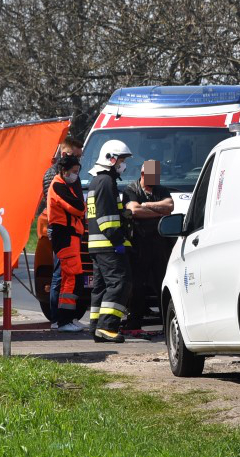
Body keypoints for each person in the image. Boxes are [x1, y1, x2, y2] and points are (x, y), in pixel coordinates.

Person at [86, 139, 135, 343]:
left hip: (97, 246)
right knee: (120, 283)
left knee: (102, 286)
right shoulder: (106, 182)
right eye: (121, 160)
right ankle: (108, 327)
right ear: (111, 159)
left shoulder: (97, 181)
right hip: (108, 245)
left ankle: (96, 326)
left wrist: (124, 215)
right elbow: (106, 218)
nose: (123, 164)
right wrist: (118, 241)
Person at [122, 160, 175, 334]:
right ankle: (134, 322)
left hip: (159, 245)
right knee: (138, 285)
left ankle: (167, 323)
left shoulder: (161, 190)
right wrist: (157, 211)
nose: (155, 179)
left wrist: (146, 205)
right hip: (139, 244)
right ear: (143, 174)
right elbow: (134, 211)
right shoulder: (131, 190)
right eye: (152, 176)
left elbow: (170, 207)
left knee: (162, 284)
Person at [47, 154, 89, 332]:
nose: (76, 175)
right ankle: (63, 321)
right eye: (74, 172)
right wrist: (81, 206)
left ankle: (69, 318)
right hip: (64, 235)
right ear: (64, 171)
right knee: (70, 277)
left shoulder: (66, 184)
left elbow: (79, 207)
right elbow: (78, 207)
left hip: (70, 236)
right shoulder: (58, 185)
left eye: (78, 172)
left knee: (73, 277)